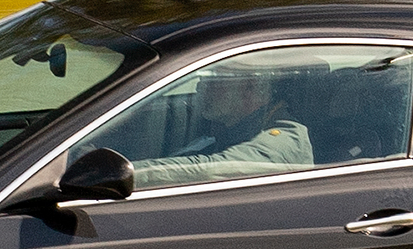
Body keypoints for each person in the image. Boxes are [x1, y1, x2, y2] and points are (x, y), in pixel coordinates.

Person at [124, 63, 313, 186]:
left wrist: (130, 175)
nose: (201, 84)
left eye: (214, 77)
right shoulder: (227, 129)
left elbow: (211, 170)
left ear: (251, 87)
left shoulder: (285, 139)